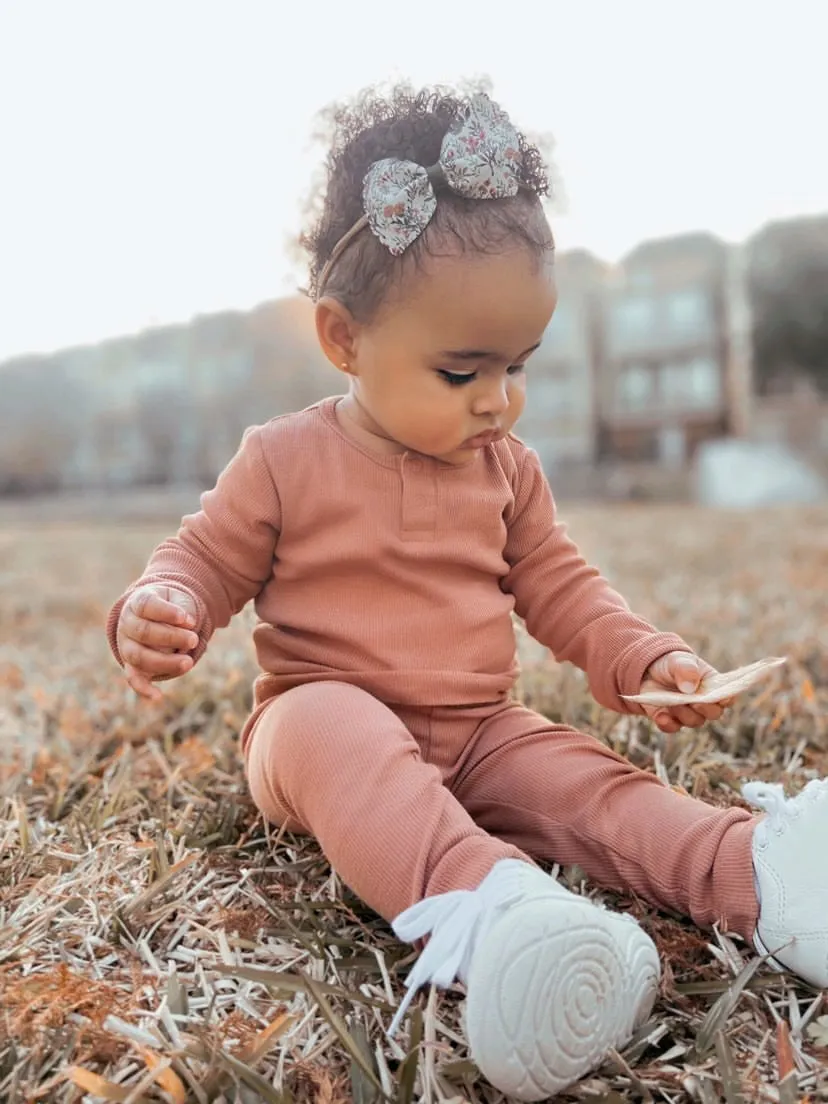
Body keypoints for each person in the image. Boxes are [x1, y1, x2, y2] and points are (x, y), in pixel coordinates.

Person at [106, 86, 827, 1101]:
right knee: (334, 725)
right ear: (344, 340)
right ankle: (498, 918)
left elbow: (565, 588)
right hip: (315, 729)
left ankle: (762, 875)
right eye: (461, 371)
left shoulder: (508, 470)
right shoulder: (281, 459)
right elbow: (201, 559)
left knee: (589, 787)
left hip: (480, 727)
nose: (498, 398)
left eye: (518, 365)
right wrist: (162, 605)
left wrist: (642, 657)